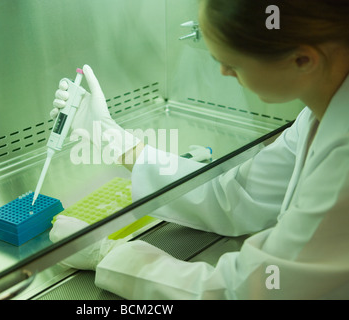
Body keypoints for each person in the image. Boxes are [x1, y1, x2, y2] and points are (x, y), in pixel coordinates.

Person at [49, 0, 349, 299]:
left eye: (233, 64)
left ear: (302, 60)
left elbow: (247, 291)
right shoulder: (319, 114)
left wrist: (108, 255)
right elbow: (237, 194)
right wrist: (111, 138)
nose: (222, 72)